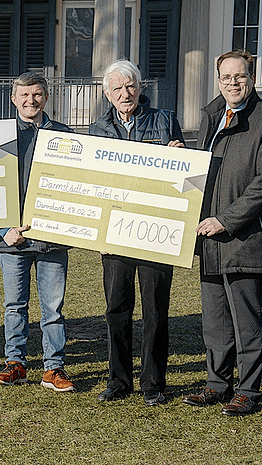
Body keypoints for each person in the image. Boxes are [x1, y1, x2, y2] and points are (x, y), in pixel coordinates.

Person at [182, 49, 262, 416]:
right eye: (226, 77)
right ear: (218, 80)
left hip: (245, 237)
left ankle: (248, 390)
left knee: (247, 319)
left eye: (239, 77)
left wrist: (225, 220)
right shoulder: (212, 117)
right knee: (215, 318)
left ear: (252, 78)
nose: (232, 83)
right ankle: (217, 384)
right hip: (209, 237)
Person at [88, 59, 184, 406]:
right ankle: (119, 380)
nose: (125, 93)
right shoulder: (97, 129)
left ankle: (154, 383)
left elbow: (184, 177)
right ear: (107, 94)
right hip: (114, 232)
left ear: (140, 87)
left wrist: (181, 155)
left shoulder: (164, 120)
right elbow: (93, 183)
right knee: (117, 307)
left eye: (130, 86)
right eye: (117, 88)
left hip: (156, 229)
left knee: (156, 309)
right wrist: (96, 232)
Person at [0, 71, 75, 392]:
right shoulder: (0, 137)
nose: (31, 100)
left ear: (46, 98)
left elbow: (76, 188)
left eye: (37, 94)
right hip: (13, 237)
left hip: (52, 239)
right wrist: (3, 228)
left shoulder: (66, 136)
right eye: (24, 95)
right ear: (14, 99)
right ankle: (16, 363)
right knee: (14, 305)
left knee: (53, 309)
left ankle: (54, 368)